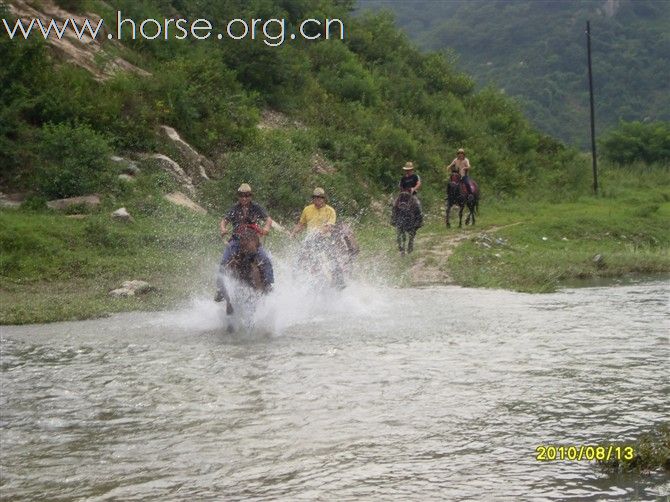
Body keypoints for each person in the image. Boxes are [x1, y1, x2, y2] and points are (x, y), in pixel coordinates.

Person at [215, 183, 274, 300]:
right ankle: (220, 289)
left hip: (253, 240)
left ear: (250, 196)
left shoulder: (256, 207)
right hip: (236, 240)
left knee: (265, 259)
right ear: (238, 196)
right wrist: (223, 228)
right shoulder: (234, 208)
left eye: (247, 195)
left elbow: (268, 219)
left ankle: (268, 284)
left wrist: (266, 227)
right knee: (224, 261)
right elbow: (224, 220)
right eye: (242, 195)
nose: (244, 198)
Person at [291, 187, 345, 288]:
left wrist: (317, 233)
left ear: (324, 199)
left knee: (333, 258)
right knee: (298, 258)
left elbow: (329, 227)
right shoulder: (307, 209)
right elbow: (301, 224)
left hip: (324, 240)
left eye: (320, 197)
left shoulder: (330, 211)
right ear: (313, 198)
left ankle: (339, 281)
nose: (317, 199)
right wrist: (294, 232)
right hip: (309, 241)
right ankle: (295, 278)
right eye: (315, 197)